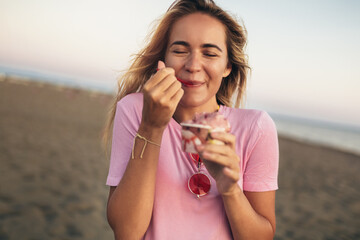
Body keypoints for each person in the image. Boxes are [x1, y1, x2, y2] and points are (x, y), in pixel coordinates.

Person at [104, 0, 279, 239]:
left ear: (228, 65)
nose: (193, 66)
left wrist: (230, 189)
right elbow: (126, 232)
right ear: (163, 59)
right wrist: (152, 126)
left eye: (209, 53)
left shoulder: (256, 127)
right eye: (180, 50)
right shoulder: (135, 109)